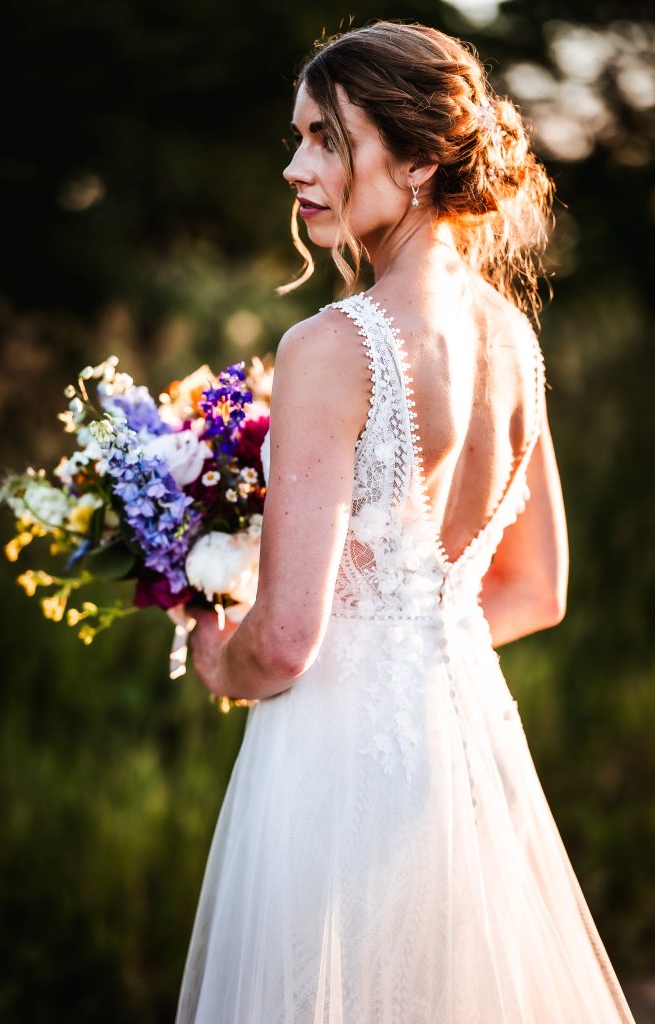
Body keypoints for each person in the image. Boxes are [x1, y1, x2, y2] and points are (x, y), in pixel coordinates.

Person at [175, 20, 636, 1023]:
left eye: (327, 140)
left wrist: (217, 655)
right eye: (296, 136)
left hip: (335, 766)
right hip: (462, 747)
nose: (295, 166)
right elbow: (534, 590)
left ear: (420, 159)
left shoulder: (330, 345)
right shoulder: (512, 337)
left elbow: (288, 641)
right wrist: (406, 644)